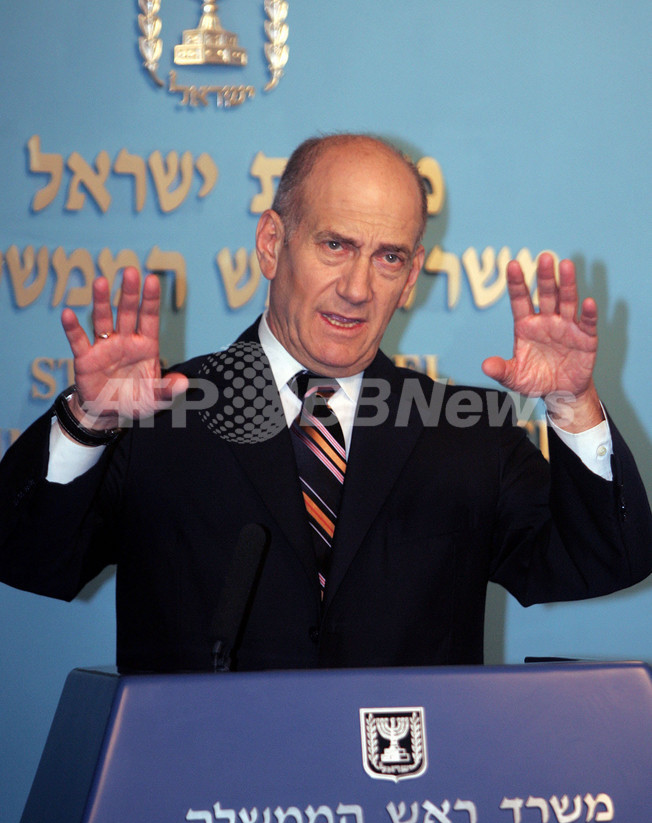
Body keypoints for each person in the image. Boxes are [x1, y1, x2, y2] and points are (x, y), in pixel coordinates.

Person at [1, 134, 650, 673]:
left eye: (388, 258)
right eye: (335, 245)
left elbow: (602, 560)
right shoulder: (156, 417)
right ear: (271, 243)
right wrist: (88, 423)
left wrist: (573, 404)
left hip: (403, 782)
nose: (357, 287)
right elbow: (25, 556)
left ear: (411, 277)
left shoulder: (468, 432)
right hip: (203, 780)